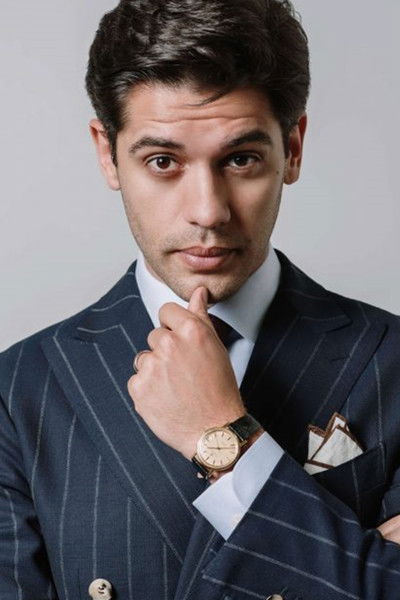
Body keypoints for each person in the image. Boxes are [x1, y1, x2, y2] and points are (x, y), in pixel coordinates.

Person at [1, 0, 400, 598]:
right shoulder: (18, 390)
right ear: (108, 154)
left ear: (292, 148)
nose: (208, 212)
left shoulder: (392, 360)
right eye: (163, 161)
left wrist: (221, 436)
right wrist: (357, 563)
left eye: (241, 159)